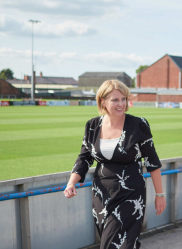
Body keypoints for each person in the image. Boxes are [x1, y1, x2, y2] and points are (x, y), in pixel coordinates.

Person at [64, 80, 166, 249]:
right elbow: (84, 158)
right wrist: (71, 183)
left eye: (123, 99)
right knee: (117, 243)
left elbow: (152, 162)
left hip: (130, 194)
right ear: (102, 101)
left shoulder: (138, 125)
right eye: (115, 100)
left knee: (117, 244)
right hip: (102, 195)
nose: (121, 104)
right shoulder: (92, 126)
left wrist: (160, 195)